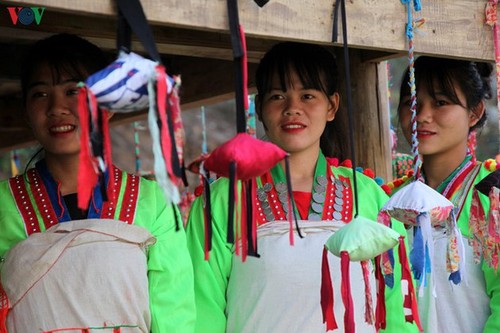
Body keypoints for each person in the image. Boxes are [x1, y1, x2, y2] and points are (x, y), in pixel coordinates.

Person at [186, 41, 418, 333]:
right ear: (259, 108)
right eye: (278, 96)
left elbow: (396, 301)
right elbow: (201, 309)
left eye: (307, 95)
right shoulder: (223, 200)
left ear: (331, 106)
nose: (292, 108)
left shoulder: (368, 194)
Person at [0, 33, 195, 332]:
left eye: (74, 92)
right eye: (40, 94)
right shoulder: (3, 205)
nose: (56, 108)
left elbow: (175, 317)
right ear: (26, 109)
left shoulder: (153, 203)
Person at [393, 56, 499, 332]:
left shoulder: (492, 197)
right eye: (411, 102)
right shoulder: (390, 201)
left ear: (474, 112)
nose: (422, 115)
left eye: (440, 102)